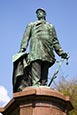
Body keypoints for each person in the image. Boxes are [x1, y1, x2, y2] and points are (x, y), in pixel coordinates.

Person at [19, 8, 68, 87]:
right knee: (36, 63)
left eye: (41, 12)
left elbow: (55, 41)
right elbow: (26, 37)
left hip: (47, 49)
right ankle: (35, 84)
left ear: (45, 14)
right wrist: (23, 48)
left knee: (45, 65)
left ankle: (43, 85)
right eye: (37, 13)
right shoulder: (31, 25)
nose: (39, 13)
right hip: (36, 48)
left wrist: (61, 52)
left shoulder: (50, 26)